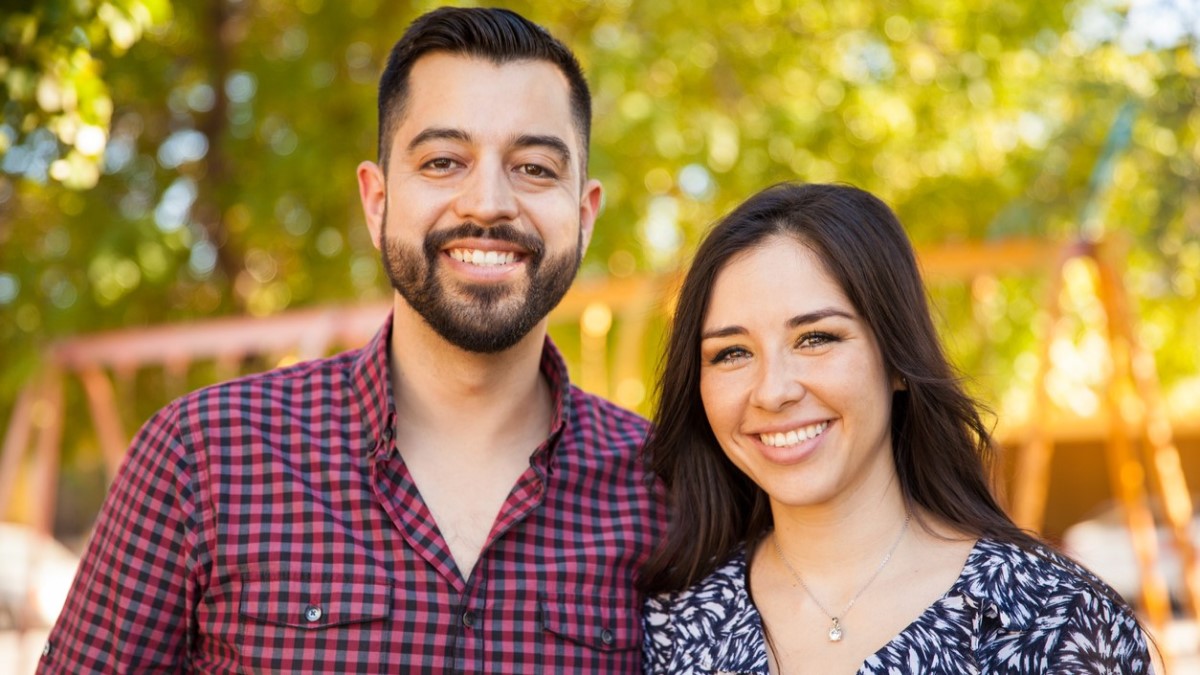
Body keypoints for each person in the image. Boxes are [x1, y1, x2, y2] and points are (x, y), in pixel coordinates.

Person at [39, 7, 664, 672]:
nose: (488, 203)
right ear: (377, 200)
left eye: (535, 168)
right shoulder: (201, 457)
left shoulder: (670, 494)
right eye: (444, 161)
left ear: (585, 214)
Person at [639, 182, 1152, 674]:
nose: (773, 391)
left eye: (816, 338)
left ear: (897, 360)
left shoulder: (1052, 619)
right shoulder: (672, 627)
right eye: (732, 352)